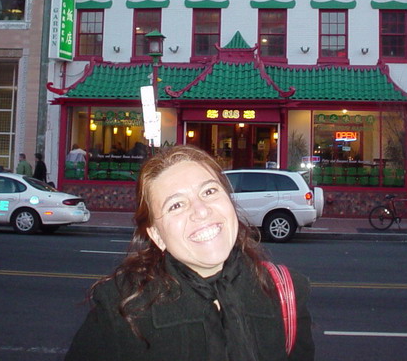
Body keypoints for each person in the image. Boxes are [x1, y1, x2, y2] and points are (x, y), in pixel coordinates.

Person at [64, 145, 315, 361]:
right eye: (176, 205)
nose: (201, 211)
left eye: (209, 191)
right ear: (157, 235)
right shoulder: (121, 309)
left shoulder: (284, 292)